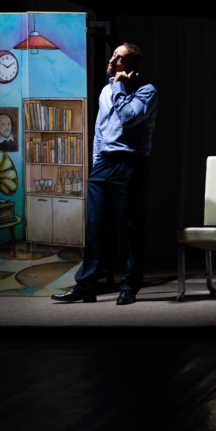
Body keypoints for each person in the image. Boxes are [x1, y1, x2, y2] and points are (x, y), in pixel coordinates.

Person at [54, 43, 158, 305]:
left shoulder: (146, 90)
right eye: (113, 55)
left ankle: (129, 287)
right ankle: (86, 287)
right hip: (103, 166)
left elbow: (127, 117)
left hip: (130, 164)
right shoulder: (105, 90)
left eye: (119, 58)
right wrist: (96, 164)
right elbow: (100, 131)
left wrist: (120, 87)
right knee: (95, 228)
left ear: (131, 65)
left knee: (132, 229)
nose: (112, 61)